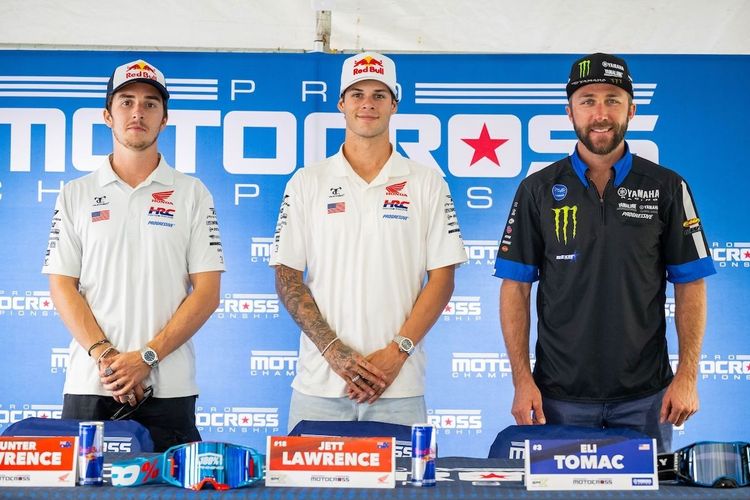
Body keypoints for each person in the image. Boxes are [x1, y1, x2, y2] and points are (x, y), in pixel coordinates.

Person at [493, 53, 715, 452]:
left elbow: (691, 283)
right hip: (558, 398)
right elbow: (515, 287)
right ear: (570, 111)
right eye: (588, 100)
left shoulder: (667, 187)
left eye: (613, 100)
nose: (600, 114)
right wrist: (522, 380)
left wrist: (687, 377)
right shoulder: (537, 189)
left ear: (631, 109)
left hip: (645, 399)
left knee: (651, 488)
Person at [270, 51, 467, 431]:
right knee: (308, 476)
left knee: (405, 475)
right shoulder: (307, 181)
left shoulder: (427, 183)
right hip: (320, 385)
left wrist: (397, 353)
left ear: (394, 104)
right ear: (341, 104)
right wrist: (334, 352)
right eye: (357, 94)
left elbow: (443, 279)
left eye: (379, 95)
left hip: (398, 386)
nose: (368, 104)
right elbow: (287, 276)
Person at [42, 59, 224, 451]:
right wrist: (107, 357)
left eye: (150, 104)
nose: (138, 112)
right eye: (126, 101)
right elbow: (62, 284)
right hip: (92, 383)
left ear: (164, 119)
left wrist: (147, 357)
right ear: (108, 115)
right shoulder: (75, 194)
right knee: (84, 485)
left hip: (168, 387)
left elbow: (208, 292)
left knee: (169, 484)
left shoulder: (192, 193)